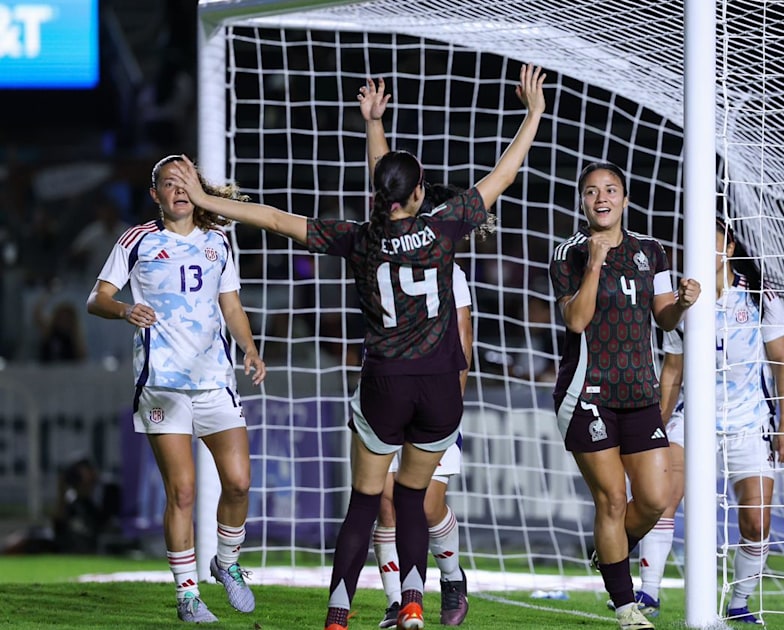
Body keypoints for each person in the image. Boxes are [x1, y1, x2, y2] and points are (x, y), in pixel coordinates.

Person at [164, 63, 546, 630]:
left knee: (367, 502)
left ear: (378, 198)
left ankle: (339, 615)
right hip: (440, 387)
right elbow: (505, 173)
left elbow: (272, 218)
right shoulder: (444, 227)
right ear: (421, 193)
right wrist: (533, 112)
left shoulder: (360, 238)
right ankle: (414, 605)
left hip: (384, 383)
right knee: (414, 499)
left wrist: (206, 199)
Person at [85, 155, 266, 624]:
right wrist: (125, 310)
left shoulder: (218, 243)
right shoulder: (138, 241)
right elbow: (96, 298)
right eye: (169, 183)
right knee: (182, 492)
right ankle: (187, 595)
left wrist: (249, 347)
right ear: (156, 195)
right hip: (162, 384)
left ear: (196, 188)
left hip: (214, 383)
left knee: (240, 483)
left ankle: (225, 564)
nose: (178, 190)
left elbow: (232, 305)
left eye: (185, 181)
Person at [548, 162, 701, 630]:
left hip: (639, 393)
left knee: (656, 500)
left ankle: (609, 553)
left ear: (625, 199)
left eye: (611, 189)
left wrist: (682, 302)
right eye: (592, 191)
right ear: (582, 201)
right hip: (586, 393)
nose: (602, 198)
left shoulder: (651, 251)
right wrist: (594, 262)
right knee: (612, 500)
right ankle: (625, 605)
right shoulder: (568, 253)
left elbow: (664, 319)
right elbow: (576, 321)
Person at [633, 219, 784, 625]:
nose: (705, 252)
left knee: (756, 523)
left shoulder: (760, 295)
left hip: (749, 422)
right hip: (693, 420)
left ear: (732, 247)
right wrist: (657, 424)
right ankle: (647, 595)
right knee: (660, 500)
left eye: (714, 243)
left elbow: (782, 360)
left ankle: (740, 604)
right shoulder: (681, 302)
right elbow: (672, 370)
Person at [376, 186, 474, 629]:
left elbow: (463, 344)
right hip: (385, 392)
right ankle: (397, 603)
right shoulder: (377, 256)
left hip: (433, 400)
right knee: (385, 502)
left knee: (426, 506)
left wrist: (450, 405)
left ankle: (452, 579)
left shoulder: (450, 272)